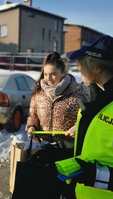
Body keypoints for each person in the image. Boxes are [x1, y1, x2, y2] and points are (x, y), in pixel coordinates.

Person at [56, 35, 113, 199]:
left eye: (81, 61)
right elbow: (96, 144)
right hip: (79, 193)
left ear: (97, 67)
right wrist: (59, 149)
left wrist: (92, 175)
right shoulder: (94, 99)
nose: (78, 67)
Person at [25, 51, 82, 199]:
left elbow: (86, 118)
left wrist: (78, 127)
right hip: (46, 150)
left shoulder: (78, 93)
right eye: (45, 74)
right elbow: (33, 116)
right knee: (47, 191)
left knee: (69, 192)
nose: (48, 78)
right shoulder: (38, 94)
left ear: (63, 72)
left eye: (53, 74)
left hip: (69, 151)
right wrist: (31, 126)